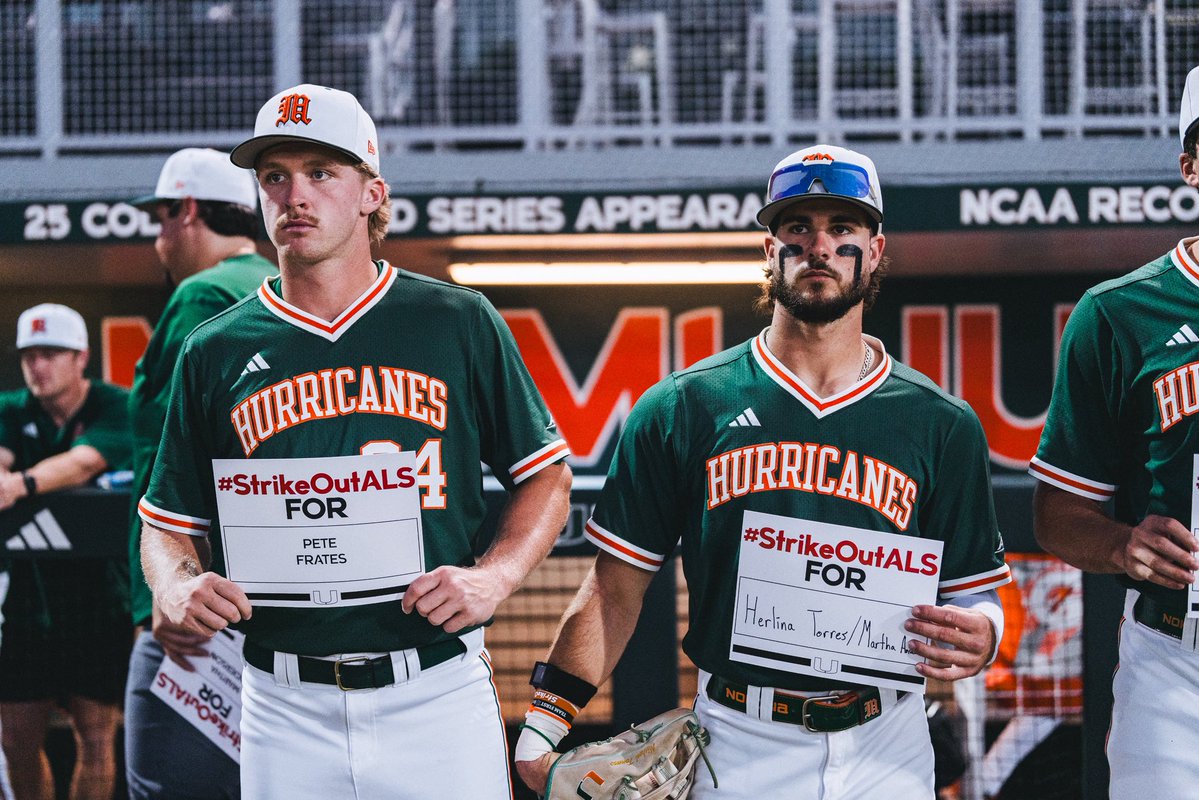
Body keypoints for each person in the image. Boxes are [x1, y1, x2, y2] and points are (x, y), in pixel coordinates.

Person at [515, 144, 1011, 799]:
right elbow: (613, 589)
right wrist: (546, 721)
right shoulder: (685, 404)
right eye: (796, 227)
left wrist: (984, 631)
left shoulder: (939, 420)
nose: (819, 245)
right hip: (740, 741)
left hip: (887, 740)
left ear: (877, 248)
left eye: (842, 228)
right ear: (768, 248)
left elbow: (974, 588)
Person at [137, 84, 573, 800]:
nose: (293, 195)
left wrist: (494, 577)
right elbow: (165, 522)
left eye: (320, 173)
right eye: (274, 176)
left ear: (372, 193)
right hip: (282, 699)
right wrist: (176, 583)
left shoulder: (455, 320)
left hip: (433, 689)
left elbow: (546, 476)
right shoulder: (213, 348)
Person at [1030, 64, 1199, 799]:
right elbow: (1057, 515)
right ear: (1190, 166)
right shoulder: (1119, 313)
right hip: (1178, 658)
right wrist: (1121, 545)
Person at [124, 147, 276, 800]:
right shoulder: (278, 284)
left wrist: (169, 588)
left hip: (198, 608)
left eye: (160, 218)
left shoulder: (203, 294)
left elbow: (176, 461)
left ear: (186, 211)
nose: (159, 237)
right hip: (277, 600)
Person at [0, 303, 132, 800]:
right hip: (28, 600)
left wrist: (21, 486)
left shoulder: (115, 404)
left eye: (51, 353)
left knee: (96, 736)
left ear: (81, 358)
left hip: (99, 597)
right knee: (15, 737)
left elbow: (82, 463)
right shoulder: (13, 408)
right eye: (30, 355)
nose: (38, 366)